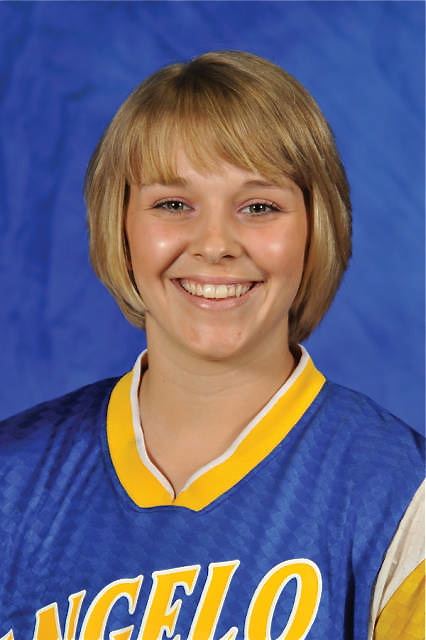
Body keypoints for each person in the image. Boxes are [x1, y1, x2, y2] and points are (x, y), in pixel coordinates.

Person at [0, 51, 423, 640]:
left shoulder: (403, 497)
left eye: (259, 207)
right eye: (173, 204)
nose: (216, 244)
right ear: (120, 227)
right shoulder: (14, 478)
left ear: (315, 229)